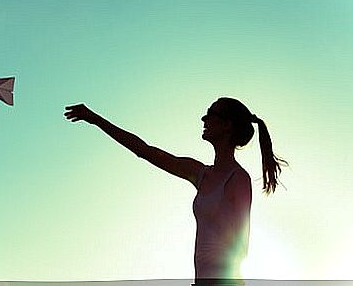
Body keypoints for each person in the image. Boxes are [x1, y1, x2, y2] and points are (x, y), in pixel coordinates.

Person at [64, 97, 287, 285]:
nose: (204, 118)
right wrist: (94, 119)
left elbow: (240, 248)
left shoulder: (238, 179)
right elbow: (146, 151)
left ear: (227, 125)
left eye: (211, 113)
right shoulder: (200, 174)